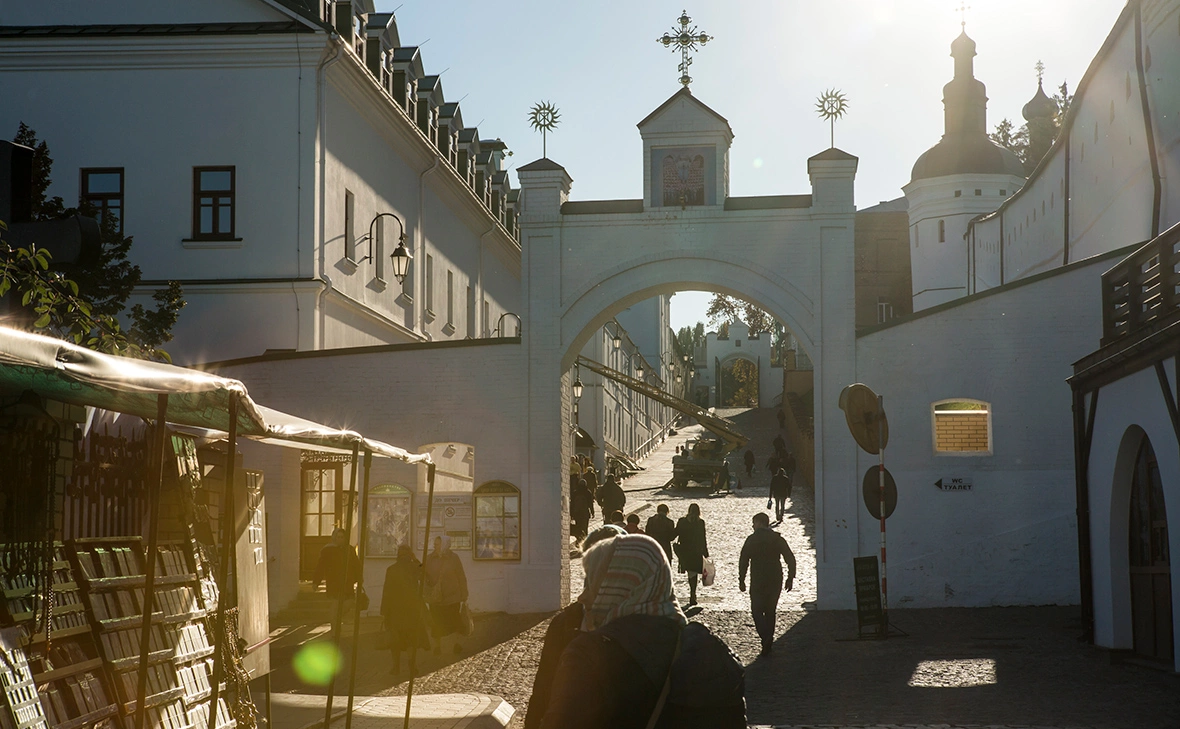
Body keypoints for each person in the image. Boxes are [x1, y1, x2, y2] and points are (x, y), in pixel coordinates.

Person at [524, 532, 746, 729]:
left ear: (616, 585)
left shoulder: (590, 655)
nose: (583, 596)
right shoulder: (710, 653)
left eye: (593, 582)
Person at [738, 512, 796, 656]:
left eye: (754, 523)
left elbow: (743, 560)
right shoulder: (777, 539)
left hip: (758, 580)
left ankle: (765, 637)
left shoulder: (751, 539)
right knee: (770, 611)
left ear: (759, 523)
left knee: (756, 611)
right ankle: (768, 639)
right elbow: (790, 558)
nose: (752, 526)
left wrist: (741, 579)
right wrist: (790, 578)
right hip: (775, 579)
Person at [380, 544, 430, 675]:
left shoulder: (391, 569)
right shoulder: (413, 567)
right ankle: (412, 664)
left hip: (395, 610)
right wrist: (415, 559)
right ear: (409, 554)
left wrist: (384, 611)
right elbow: (425, 572)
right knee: (411, 640)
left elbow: (387, 591)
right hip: (411, 609)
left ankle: (395, 667)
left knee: (395, 640)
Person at [424, 536, 469, 655]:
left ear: (444, 545)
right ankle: (437, 646)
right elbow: (424, 575)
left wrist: (464, 594)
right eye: (435, 543)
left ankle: (456, 644)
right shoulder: (429, 558)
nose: (435, 546)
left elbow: (461, 576)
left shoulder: (454, 558)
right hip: (435, 598)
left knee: (455, 621)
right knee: (436, 623)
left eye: (438, 544)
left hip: (452, 597)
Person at [311, 527, 361, 605]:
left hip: (347, 583)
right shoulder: (328, 550)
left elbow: (356, 565)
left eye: (342, 537)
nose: (340, 539)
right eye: (338, 537)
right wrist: (316, 582)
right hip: (334, 583)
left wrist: (358, 578)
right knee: (335, 604)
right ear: (334, 538)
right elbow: (320, 567)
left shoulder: (349, 550)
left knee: (348, 603)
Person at [674, 504, 708, 606]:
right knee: (694, 572)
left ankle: (692, 593)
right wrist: (705, 553)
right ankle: (693, 593)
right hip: (696, 551)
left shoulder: (682, 521)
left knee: (690, 572)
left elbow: (675, 533)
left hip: (685, 550)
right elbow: (703, 538)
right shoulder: (700, 522)